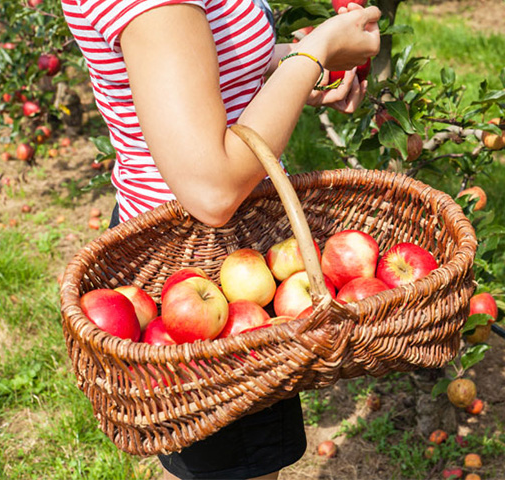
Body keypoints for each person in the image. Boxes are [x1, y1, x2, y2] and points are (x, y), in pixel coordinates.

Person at [61, 0, 381, 478]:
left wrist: (293, 67)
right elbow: (211, 190)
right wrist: (315, 51)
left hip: (226, 261)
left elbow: (200, 57)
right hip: (203, 271)